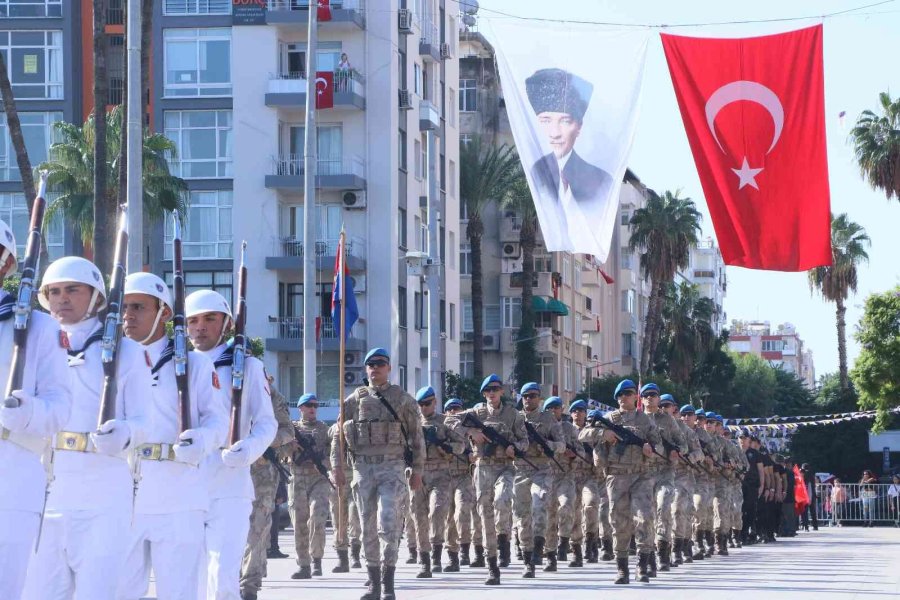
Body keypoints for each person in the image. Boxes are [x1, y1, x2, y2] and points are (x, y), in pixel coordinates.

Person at [20, 257, 152, 600]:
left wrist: (124, 433)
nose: (62, 298)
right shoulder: (32, 344)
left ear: (95, 296)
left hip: (103, 491)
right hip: (45, 486)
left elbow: (145, 420)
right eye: (55, 291)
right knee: (38, 591)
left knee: (99, 591)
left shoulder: (129, 351)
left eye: (72, 290)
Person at [117, 272, 229, 600]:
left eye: (138, 307)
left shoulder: (194, 364)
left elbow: (218, 423)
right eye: (124, 308)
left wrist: (202, 440)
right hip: (123, 492)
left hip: (179, 493)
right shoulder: (112, 359)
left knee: (179, 590)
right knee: (119, 590)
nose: (128, 315)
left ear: (165, 313)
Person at [186, 290, 277, 600]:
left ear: (226, 324)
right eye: (193, 320)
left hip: (229, 481)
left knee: (222, 577)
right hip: (184, 482)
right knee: (190, 580)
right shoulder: (177, 365)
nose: (200, 327)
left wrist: (248, 450)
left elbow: (267, 423)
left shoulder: (248, 366)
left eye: (209, 319)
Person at [0, 221, 71, 600]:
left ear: (7, 263)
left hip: (11, 476)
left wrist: (26, 413)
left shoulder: (40, 327)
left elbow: (60, 406)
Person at [331, 347, 425, 600]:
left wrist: (417, 470)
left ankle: (389, 583)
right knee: (366, 526)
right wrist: (337, 468)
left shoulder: (402, 399)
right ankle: (373, 583)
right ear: (366, 369)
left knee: (388, 520)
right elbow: (338, 436)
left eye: (380, 364)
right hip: (363, 468)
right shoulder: (354, 399)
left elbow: (417, 437)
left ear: (389, 368)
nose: (375, 369)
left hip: (392, 466)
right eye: (370, 365)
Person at [448, 374, 528, 585]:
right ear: (484, 394)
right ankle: (492, 565)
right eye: (488, 391)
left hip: (505, 467)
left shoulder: (513, 414)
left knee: (502, 500)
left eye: (495, 389)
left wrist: (515, 448)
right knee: (485, 514)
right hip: (483, 468)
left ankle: (504, 540)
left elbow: (525, 441)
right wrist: (471, 432)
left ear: (502, 391)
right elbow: (449, 420)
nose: (491, 393)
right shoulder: (476, 413)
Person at [581, 379, 661, 584]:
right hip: (616, 476)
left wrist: (650, 450)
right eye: (620, 395)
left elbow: (660, 447)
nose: (623, 398)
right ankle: (622, 568)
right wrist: (603, 433)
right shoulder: (609, 418)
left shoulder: (645, 421)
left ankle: (642, 565)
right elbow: (583, 434)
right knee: (619, 522)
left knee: (645, 518)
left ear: (636, 396)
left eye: (628, 393)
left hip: (641, 475)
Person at [525, 67, 614, 251]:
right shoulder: (532, 173)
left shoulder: (601, 181)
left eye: (565, 121)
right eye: (546, 121)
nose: (555, 133)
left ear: (579, 126)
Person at [241, 380, 295, 600]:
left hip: (262, 469)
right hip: (223, 469)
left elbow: (287, 430)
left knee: (257, 528)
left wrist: (261, 439)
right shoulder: (212, 381)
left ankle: (249, 585)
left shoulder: (269, 393)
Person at [411, 386, 466, 577]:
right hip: (419, 473)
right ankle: (425, 561)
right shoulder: (413, 423)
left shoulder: (445, 422)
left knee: (437, 512)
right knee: (419, 517)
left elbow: (461, 446)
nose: (424, 408)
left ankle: (436, 557)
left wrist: (447, 448)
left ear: (434, 402)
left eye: (427, 403)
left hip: (441, 474)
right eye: (420, 404)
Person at [512, 383, 566, 577]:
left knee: (539, 506)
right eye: (525, 396)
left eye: (533, 395)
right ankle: (528, 559)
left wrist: (548, 445)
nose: (528, 399)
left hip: (542, 470)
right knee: (522, 516)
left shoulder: (548, 418)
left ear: (539, 398)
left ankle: (540, 549)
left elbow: (561, 445)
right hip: (519, 471)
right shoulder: (515, 418)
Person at [287, 393, 333, 579]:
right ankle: (303, 564)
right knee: (299, 522)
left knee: (317, 518)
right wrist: (291, 448)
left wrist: (323, 462)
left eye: (315, 405)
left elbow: (334, 452)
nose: (312, 408)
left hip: (318, 479)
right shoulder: (291, 430)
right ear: (300, 408)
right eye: (308, 405)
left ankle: (317, 560)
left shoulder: (324, 429)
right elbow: (281, 452)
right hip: (297, 479)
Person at [641, 385, 685, 574]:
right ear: (641, 399)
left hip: (665, 472)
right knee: (646, 516)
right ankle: (648, 555)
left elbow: (682, 442)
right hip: (643, 473)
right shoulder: (637, 419)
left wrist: (677, 451)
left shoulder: (667, 420)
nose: (650, 398)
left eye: (653, 395)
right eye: (646, 395)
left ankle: (663, 553)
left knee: (664, 506)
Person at [542, 396, 578, 569]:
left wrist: (574, 455)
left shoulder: (569, 428)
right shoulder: (543, 427)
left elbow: (581, 452)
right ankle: (550, 552)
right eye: (549, 408)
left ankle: (564, 542)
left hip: (566, 475)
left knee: (566, 506)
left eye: (556, 407)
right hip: (547, 476)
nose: (553, 411)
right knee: (549, 515)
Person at [442, 398, 478, 570]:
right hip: (445, 477)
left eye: (457, 409)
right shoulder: (442, 428)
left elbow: (476, 450)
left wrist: (473, 454)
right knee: (449, 518)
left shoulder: (467, 431)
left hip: (464, 476)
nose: (454, 412)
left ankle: (464, 549)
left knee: (462, 512)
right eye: (451, 409)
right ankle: (452, 555)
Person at [566, 400, 599, 568]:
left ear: (585, 414)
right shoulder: (566, 431)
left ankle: (591, 541)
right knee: (573, 512)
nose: (578, 413)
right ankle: (576, 550)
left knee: (591, 505)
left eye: (581, 410)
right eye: (574, 411)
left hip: (588, 476)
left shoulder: (591, 433)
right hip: (570, 476)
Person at [740, 431, 765, 544]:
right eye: (741, 437)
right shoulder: (734, 451)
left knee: (749, 510)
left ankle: (746, 533)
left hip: (752, 485)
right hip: (738, 485)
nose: (742, 440)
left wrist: (762, 485)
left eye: (745, 438)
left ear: (749, 439)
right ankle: (737, 535)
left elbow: (761, 470)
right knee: (738, 510)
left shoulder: (754, 453)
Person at [800, 463, 819, 532]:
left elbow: (808, 486)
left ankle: (805, 526)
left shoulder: (805, 474)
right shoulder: (812, 474)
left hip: (806, 494)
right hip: (812, 494)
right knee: (812, 511)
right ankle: (815, 525)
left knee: (804, 511)